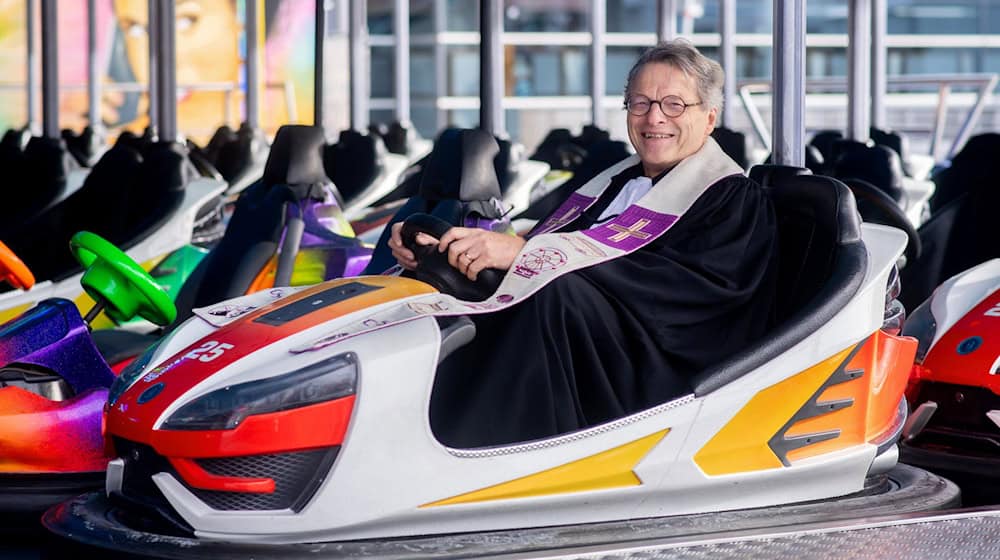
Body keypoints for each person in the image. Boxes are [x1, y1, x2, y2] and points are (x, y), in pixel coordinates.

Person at [388, 39, 779, 449]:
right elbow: (555, 242)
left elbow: (690, 292)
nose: (654, 117)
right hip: (589, 331)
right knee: (443, 261)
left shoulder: (731, 198)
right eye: (641, 103)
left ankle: (487, 448)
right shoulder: (616, 182)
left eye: (674, 105)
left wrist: (530, 258)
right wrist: (457, 248)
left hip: (657, 362)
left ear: (710, 118)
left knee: (555, 292)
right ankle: (407, 429)